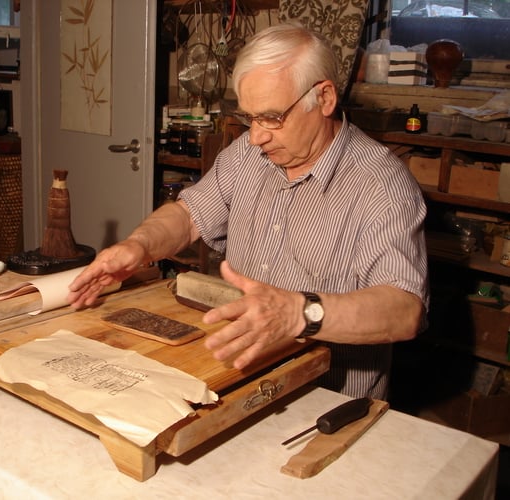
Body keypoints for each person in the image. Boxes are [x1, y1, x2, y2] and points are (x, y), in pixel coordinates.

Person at [67, 22, 429, 400]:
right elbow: (190, 214)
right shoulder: (248, 155)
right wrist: (139, 246)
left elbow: (405, 310)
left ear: (323, 98)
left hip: (324, 400)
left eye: (272, 117)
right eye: (249, 118)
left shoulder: (383, 186)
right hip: (240, 378)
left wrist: (297, 314)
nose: (256, 136)